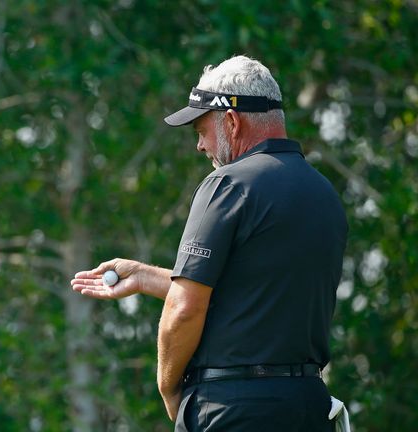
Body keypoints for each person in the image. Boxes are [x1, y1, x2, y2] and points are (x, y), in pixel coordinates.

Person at [71, 56, 348, 431]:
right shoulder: (323, 193)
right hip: (309, 406)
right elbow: (252, 295)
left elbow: (185, 309)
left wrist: (170, 388)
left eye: (201, 130)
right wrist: (144, 275)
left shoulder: (229, 184)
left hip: (233, 410)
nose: (200, 146)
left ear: (232, 123)